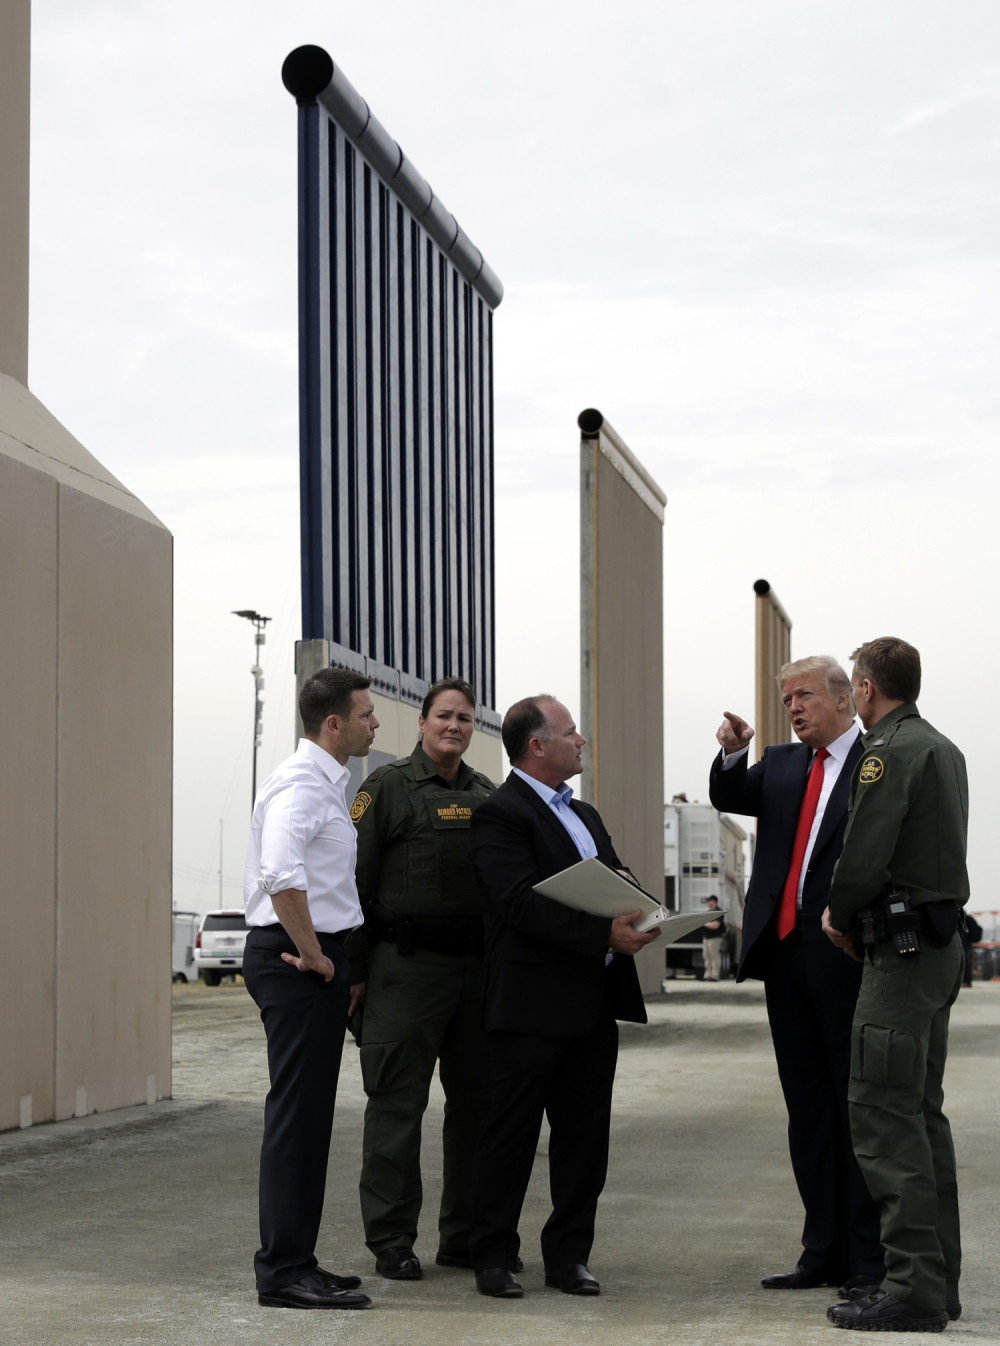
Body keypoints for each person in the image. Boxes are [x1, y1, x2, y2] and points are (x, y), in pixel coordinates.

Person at [466, 695, 659, 1299]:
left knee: (584, 1139)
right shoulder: (500, 815)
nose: (583, 742)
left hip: (592, 1003)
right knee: (511, 1137)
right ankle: (494, 1255)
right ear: (537, 746)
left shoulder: (587, 815)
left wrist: (642, 911)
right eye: (572, 733)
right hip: (529, 1006)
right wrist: (603, 932)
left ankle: (569, 1256)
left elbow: (615, 879)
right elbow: (519, 903)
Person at [709, 656, 883, 1297]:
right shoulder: (781, 765)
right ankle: (821, 1252)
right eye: (787, 701)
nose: (795, 709)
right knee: (807, 1110)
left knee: (853, 1111)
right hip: (783, 960)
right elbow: (731, 795)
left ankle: (869, 1258)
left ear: (844, 699)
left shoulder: (876, 762)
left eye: (805, 696)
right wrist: (732, 754)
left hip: (847, 958)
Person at [822, 638, 969, 1333]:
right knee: (921, 1114)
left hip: (901, 958)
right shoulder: (944, 747)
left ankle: (912, 1287)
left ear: (866, 689)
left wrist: (837, 912)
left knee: (883, 1113)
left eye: (853, 687)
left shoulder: (888, 752)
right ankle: (937, 1281)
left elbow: (864, 855)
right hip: (936, 952)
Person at [241, 667, 378, 1311]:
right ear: (334, 723)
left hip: (313, 959)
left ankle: (297, 1259)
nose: (373, 724)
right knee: (297, 1119)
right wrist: (317, 956)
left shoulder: (326, 784)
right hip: (297, 963)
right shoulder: (301, 786)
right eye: (366, 714)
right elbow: (279, 873)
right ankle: (283, 1271)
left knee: (311, 1117)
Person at [352, 677, 495, 1280]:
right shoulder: (384, 789)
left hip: (475, 973)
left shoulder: (489, 795)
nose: (454, 726)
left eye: (464, 718)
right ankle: (391, 1240)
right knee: (396, 1107)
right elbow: (353, 886)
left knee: (477, 1110)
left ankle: (462, 1237)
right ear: (421, 721)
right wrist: (355, 975)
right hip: (402, 972)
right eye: (444, 716)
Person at [701, 896, 725, 981]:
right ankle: (707, 974)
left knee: (714, 956)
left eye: (709, 901)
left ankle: (715, 975)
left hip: (715, 938)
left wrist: (704, 923)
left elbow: (715, 925)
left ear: (713, 901)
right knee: (706, 957)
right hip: (706, 937)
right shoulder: (709, 912)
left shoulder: (718, 912)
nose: (708, 903)